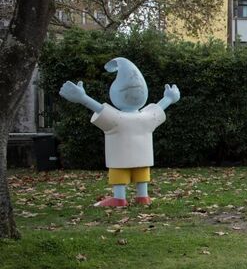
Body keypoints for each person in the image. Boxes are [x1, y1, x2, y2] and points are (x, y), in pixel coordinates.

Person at [59, 57, 180, 207]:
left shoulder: (117, 118)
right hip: (143, 155)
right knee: (142, 172)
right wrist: (168, 98)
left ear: (116, 93)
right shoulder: (146, 117)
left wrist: (82, 98)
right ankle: (143, 196)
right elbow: (159, 108)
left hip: (119, 156)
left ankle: (119, 198)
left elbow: (99, 109)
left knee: (119, 172)